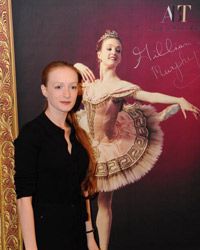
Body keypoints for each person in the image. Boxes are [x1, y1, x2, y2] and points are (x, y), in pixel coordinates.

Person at [74, 30, 200, 250]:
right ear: (99, 55)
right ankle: (88, 237)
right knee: (80, 192)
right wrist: (75, 65)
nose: (114, 52)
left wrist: (179, 98)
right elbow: (58, 82)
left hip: (108, 146)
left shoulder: (121, 86)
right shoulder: (88, 86)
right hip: (85, 140)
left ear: (121, 57)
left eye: (118, 50)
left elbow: (150, 96)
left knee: (104, 202)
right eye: (109, 49)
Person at [14, 61, 99, 250]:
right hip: (46, 238)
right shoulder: (31, 135)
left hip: (78, 237)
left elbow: (82, 191)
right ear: (44, 90)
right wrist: (31, 248)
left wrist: (90, 238)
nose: (67, 94)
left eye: (72, 87)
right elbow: (24, 199)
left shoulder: (78, 136)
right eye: (58, 87)